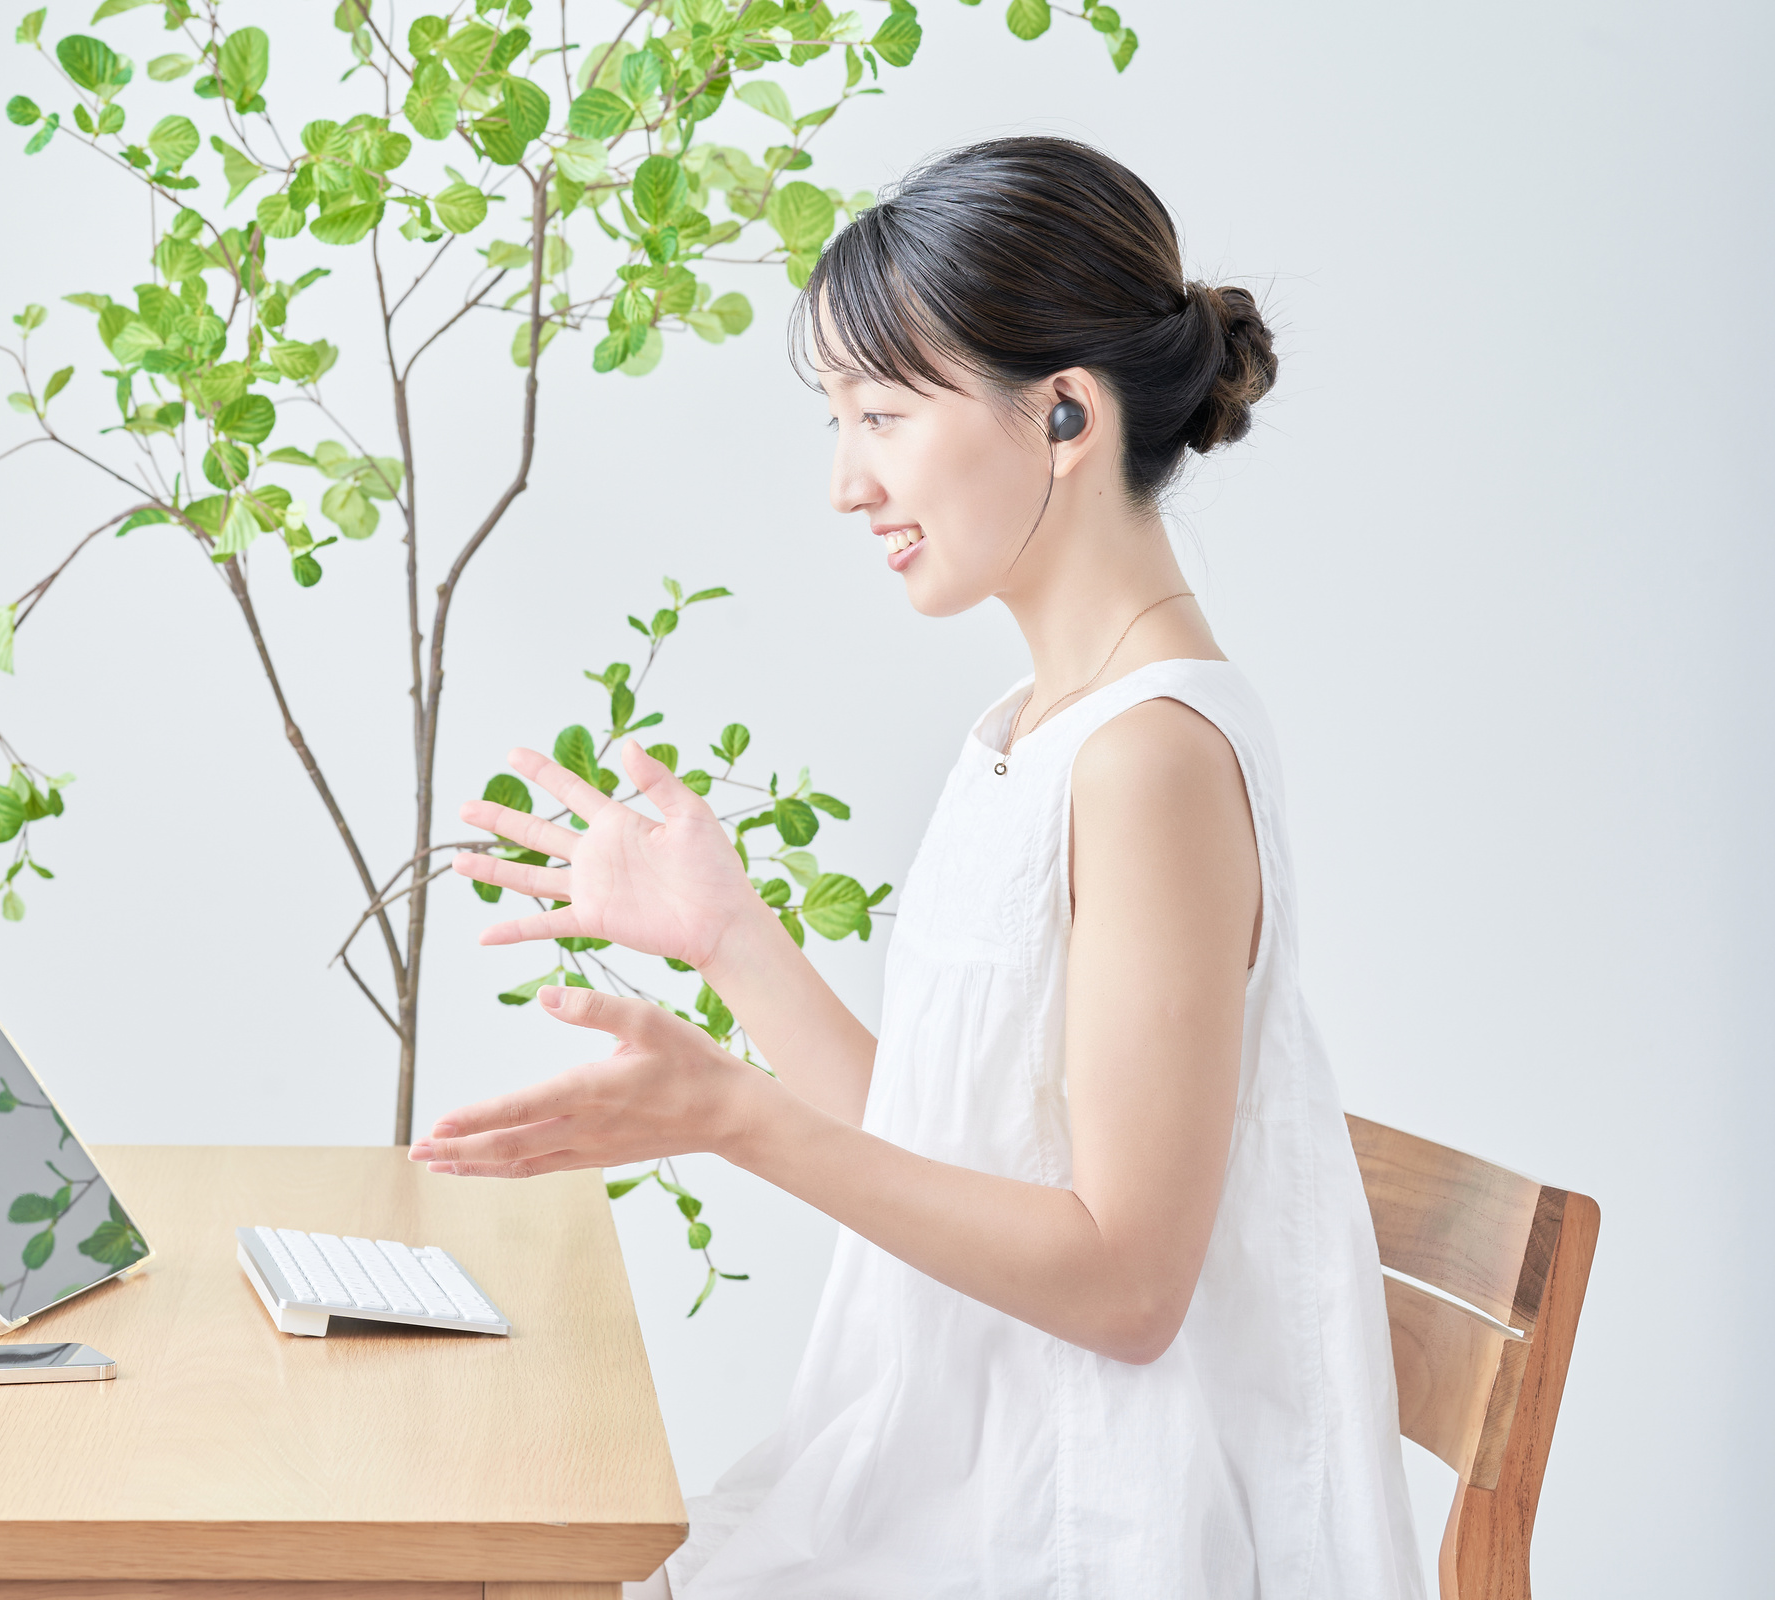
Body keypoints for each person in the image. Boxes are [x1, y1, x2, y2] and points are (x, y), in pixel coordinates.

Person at [414, 136, 1423, 1598]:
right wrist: (729, 939)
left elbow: (1130, 1289)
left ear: (1066, 415)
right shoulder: (1037, 727)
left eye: (881, 412)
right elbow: (959, 1145)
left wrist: (732, 1118)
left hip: (1088, 1527)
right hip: (976, 1471)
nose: (846, 482)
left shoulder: (1151, 758)